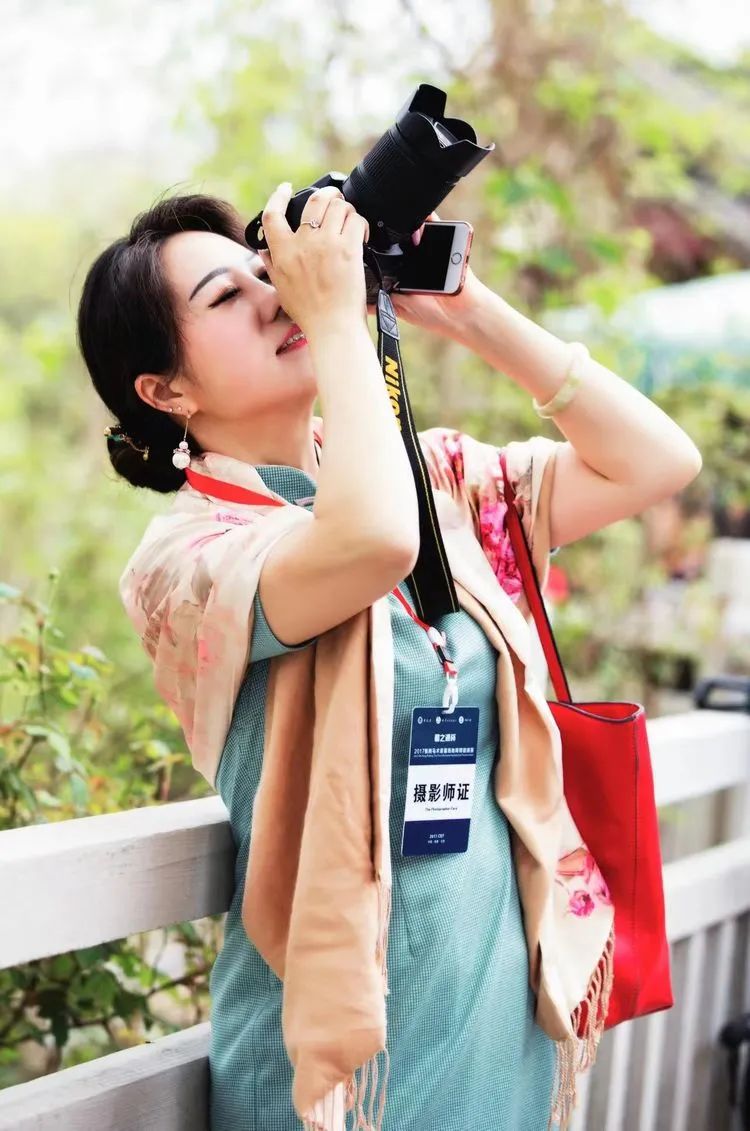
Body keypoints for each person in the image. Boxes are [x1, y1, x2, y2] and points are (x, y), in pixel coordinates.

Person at [77, 183, 702, 1131]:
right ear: (166, 392)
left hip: (499, 1028)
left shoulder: (433, 477)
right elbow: (371, 542)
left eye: (264, 271)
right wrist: (337, 321)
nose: (275, 295)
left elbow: (655, 462)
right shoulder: (187, 561)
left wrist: (469, 311)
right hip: (342, 1072)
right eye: (226, 295)